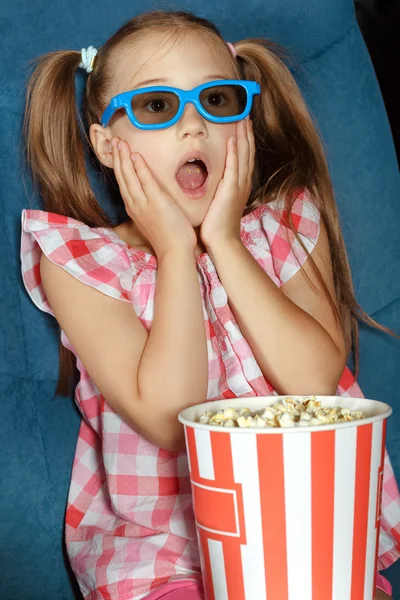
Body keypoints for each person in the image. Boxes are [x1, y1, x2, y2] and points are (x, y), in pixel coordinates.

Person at [19, 9, 398, 600]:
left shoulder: (286, 227)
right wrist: (175, 252)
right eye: (156, 105)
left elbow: (315, 382)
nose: (193, 127)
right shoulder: (81, 262)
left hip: (306, 532)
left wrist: (222, 241)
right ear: (107, 144)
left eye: (217, 100)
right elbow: (171, 414)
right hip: (165, 559)